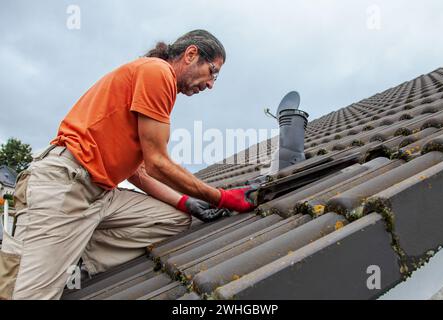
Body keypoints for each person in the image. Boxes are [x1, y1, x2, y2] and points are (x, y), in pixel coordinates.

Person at [0, 30, 255, 300]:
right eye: (212, 71)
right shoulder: (158, 73)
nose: (211, 84)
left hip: (99, 195)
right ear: (191, 54)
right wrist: (222, 197)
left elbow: (139, 172)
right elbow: (158, 163)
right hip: (64, 184)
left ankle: (69, 254)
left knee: (175, 219)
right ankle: (51, 256)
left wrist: (185, 203)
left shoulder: (151, 84)